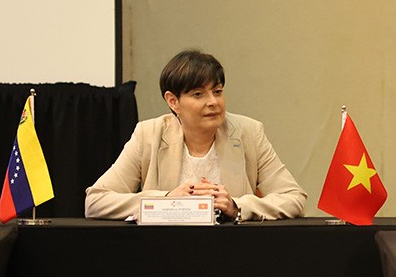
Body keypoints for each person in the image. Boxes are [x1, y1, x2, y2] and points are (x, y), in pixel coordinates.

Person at [85, 49, 307, 221]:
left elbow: (293, 198)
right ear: (173, 101)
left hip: (233, 249)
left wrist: (236, 206)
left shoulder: (249, 132)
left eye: (217, 92)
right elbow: (96, 201)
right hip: (164, 250)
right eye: (198, 94)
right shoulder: (149, 134)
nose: (213, 102)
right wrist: (165, 201)